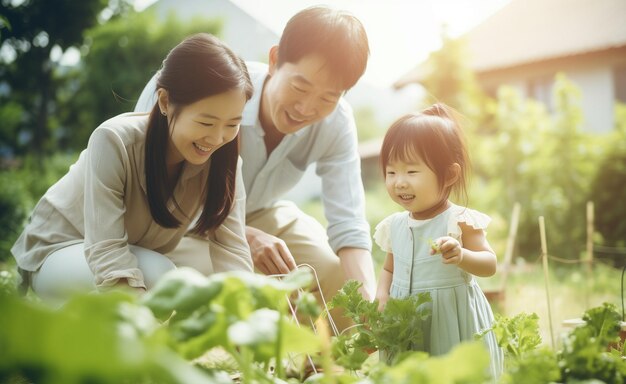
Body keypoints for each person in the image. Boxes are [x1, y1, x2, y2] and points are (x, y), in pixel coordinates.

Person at [135, 6, 375, 332]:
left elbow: (349, 223)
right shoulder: (212, 89)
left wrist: (367, 301)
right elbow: (151, 190)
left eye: (328, 97)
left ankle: (314, 366)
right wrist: (243, 235)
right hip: (178, 220)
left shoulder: (337, 122)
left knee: (331, 272)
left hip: (261, 212)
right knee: (214, 280)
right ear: (275, 60)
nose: (307, 108)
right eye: (300, 88)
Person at [11, 33, 255, 304]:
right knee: (164, 279)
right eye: (207, 123)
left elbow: (233, 249)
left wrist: (246, 316)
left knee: (202, 281)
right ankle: (62, 318)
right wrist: (136, 314)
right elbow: (106, 249)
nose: (217, 138)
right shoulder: (114, 140)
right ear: (164, 101)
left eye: (232, 124)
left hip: (135, 254)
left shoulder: (225, 160)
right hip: (59, 251)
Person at [373, 103, 503, 378]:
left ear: (449, 175)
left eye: (411, 171)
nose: (399, 182)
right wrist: (382, 295)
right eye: (391, 172)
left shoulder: (460, 220)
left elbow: (489, 264)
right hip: (405, 323)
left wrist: (462, 256)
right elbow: (388, 269)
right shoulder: (395, 225)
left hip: (451, 323)